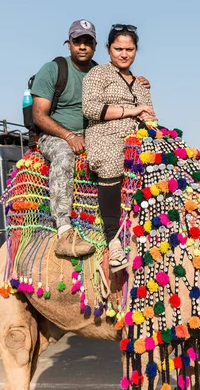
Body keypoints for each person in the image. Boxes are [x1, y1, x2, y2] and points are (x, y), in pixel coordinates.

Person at [31, 20, 151, 258]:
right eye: (78, 41)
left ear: (96, 45)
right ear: (69, 43)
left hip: (97, 134)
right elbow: (38, 115)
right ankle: (64, 231)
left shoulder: (103, 72)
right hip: (57, 135)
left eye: (88, 42)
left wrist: (139, 83)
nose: (83, 47)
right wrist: (68, 135)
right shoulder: (54, 69)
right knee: (65, 154)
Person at [82, 24, 156, 269]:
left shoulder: (140, 83)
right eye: (118, 49)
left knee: (172, 159)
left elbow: (149, 113)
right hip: (105, 134)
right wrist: (131, 111)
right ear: (108, 49)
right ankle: (112, 240)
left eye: (130, 49)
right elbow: (91, 109)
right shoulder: (98, 75)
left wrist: (148, 118)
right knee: (112, 160)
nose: (124, 54)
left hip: (138, 137)